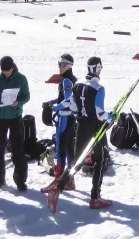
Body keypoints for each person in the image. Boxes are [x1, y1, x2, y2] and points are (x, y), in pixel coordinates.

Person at [67, 56, 113, 209]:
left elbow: (73, 107)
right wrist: (111, 117)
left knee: (77, 159)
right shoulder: (99, 88)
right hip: (96, 127)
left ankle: (64, 184)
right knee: (99, 160)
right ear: (98, 68)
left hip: (81, 125)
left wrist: (80, 116)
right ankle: (95, 197)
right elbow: (100, 113)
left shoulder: (77, 84)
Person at [0, 56, 30, 191]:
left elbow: (26, 96)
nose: (5, 73)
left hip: (15, 117)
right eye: (3, 71)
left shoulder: (21, 78)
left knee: (18, 149)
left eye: (8, 71)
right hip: (1, 118)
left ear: (13, 67)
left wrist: (18, 102)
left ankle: (20, 181)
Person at [50, 54, 77, 191]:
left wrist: (55, 107)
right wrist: (51, 102)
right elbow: (64, 98)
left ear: (67, 66)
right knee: (69, 149)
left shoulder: (66, 81)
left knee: (61, 149)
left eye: (61, 65)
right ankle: (70, 181)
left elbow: (67, 101)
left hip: (64, 117)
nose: (59, 67)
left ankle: (58, 180)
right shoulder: (72, 80)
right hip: (71, 117)